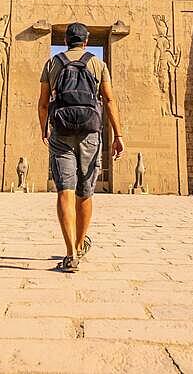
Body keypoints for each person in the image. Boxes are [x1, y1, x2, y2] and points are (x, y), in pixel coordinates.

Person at [38, 23, 124, 273]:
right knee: (85, 191)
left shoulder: (53, 64)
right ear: (86, 41)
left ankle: (70, 253)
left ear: (66, 41)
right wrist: (117, 134)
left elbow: (43, 103)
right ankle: (79, 244)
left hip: (61, 131)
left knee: (64, 190)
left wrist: (44, 128)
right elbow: (108, 99)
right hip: (89, 132)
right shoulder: (97, 64)